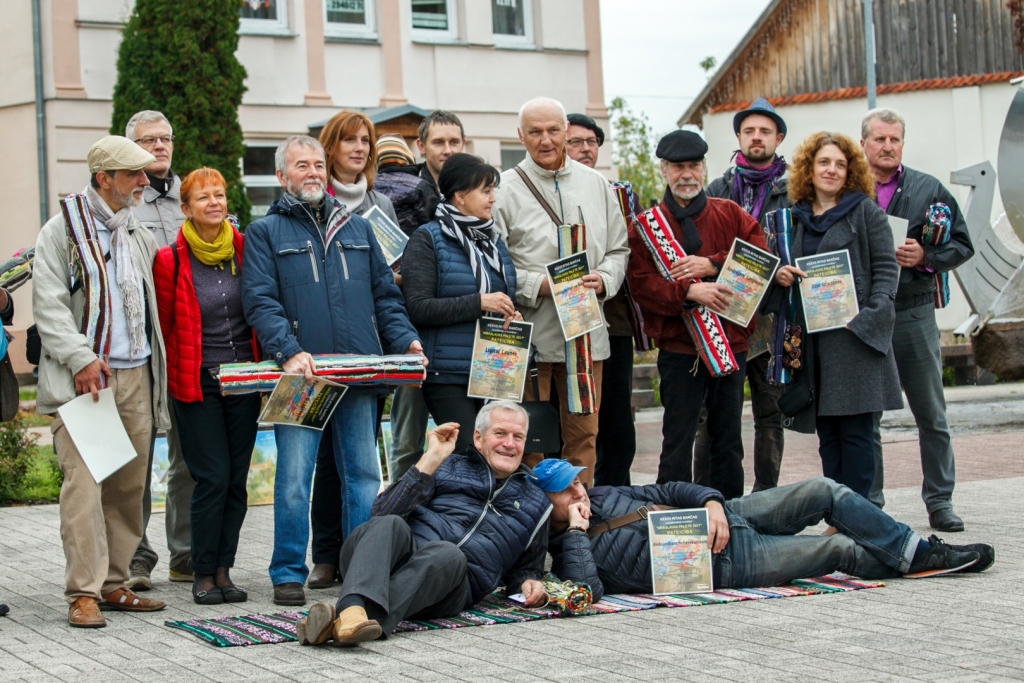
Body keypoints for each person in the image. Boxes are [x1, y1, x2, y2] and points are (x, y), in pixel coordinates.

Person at [241, 135, 423, 607]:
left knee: (363, 475)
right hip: (303, 376)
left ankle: (359, 570)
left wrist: (405, 338)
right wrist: (287, 350)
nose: (314, 173)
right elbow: (260, 300)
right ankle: (286, 572)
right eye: (302, 166)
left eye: (318, 164)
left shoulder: (358, 229)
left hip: (359, 375)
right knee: (296, 477)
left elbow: (386, 296)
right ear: (282, 177)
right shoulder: (265, 232)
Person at [33, 136, 169, 627]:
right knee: (85, 488)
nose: (142, 182)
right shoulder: (60, 232)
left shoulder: (137, 233)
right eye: (132, 175)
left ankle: (115, 584)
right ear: (102, 178)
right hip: (85, 378)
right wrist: (81, 358)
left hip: (136, 371)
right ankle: (83, 593)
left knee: (128, 488)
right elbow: (47, 305)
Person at [534, 459, 994, 602]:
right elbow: (587, 590)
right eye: (565, 490)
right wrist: (575, 532)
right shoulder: (563, 551)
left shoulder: (607, 492)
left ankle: (914, 552)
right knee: (837, 550)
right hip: (728, 563)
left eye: (577, 480)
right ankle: (922, 559)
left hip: (731, 515)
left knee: (824, 489)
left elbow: (672, 485)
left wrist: (712, 501)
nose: (578, 492)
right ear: (545, 502)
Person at [297, 402, 551, 647]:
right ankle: (351, 616)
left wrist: (530, 583)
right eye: (500, 433)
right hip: (383, 562)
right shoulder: (446, 466)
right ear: (478, 437)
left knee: (448, 553)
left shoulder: (538, 502)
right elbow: (381, 514)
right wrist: (431, 459)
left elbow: (527, 568)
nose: (509, 443)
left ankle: (349, 615)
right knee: (391, 523)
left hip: (449, 584)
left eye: (518, 437)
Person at [493, 97, 629, 487]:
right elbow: (493, 264)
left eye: (554, 130)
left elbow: (620, 249)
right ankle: (529, 524)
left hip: (585, 335)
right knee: (527, 438)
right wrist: (539, 285)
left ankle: (577, 522)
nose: (546, 140)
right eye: (535, 132)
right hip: (531, 335)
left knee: (583, 435)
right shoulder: (504, 189)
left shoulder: (597, 184)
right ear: (521, 136)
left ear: (566, 132)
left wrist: (604, 279)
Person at [628, 131, 766, 500]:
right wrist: (688, 291)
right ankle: (674, 518)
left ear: (704, 168)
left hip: (730, 345)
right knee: (677, 440)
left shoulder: (731, 214)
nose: (686, 174)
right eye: (677, 167)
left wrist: (713, 264)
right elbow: (640, 284)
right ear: (664, 171)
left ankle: (729, 514)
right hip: (680, 349)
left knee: (728, 439)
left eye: (693, 165)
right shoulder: (645, 227)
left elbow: (759, 262)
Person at [770, 132, 902, 500]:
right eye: (824, 162)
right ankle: (839, 514)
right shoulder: (792, 218)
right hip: (812, 342)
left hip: (854, 340)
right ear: (808, 169)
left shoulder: (866, 212)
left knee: (857, 435)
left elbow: (886, 272)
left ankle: (863, 520)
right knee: (827, 436)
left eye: (840, 164)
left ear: (851, 172)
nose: (831, 170)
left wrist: (869, 318)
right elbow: (777, 269)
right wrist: (780, 275)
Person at [860, 108, 975, 532]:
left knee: (931, 412)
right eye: (879, 139)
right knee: (866, 414)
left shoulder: (930, 189)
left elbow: (963, 244)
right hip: (866, 316)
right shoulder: (849, 188)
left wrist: (927, 257)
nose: (887, 146)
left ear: (902, 144)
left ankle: (940, 502)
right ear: (864, 144)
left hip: (913, 310)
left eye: (894, 139)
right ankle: (870, 503)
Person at [152, 167, 261, 605]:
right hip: (196, 382)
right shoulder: (170, 259)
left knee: (236, 480)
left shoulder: (246, 248)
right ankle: (200, 572)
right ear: (185, 208)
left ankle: (224, 570)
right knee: (211, 477)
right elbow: (164, 325)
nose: (214, 203)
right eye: (203, 197)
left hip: (244, 381)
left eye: (219, 195)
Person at [306, 111, 404, 591]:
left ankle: (359, 556)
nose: (360, 148)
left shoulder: (380, 203)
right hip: (322, 356)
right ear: (330, 147)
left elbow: (390, 273)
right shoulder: (314, 201)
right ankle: (325, 555)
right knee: (329, 460)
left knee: (363, 459)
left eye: (365, 141)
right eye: (349, 141)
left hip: (370, 350)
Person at [403, 154, 519, 454]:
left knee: (499, 456)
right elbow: (418, 307)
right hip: (448, 374)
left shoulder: (493, 240)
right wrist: (479, 302)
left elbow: (504, 296)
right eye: (486, 191)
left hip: (495, 370)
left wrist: (510, 313)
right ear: (460, 195)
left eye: (494, 190)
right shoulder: (427, 238)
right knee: (471, 455)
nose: (493, 198)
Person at [124, 109, 195, 590]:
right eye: (148, 140)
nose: (159, 147)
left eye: (165, 138)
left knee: (189, 454)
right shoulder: (123, 200)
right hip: (141, 346)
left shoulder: (189, 196)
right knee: (138, 454)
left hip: (187, 344)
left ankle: (185, 551)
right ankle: (134, 553)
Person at [704, 98, 789, 493]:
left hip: (772, 314)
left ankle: (766, 497)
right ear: (738, 137)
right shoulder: (717, 188)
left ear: (779, 138)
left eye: (765, 131)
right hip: (724, 314)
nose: (757, 137)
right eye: (750, 131)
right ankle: (715, 495)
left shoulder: (793, 188)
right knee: (717, 411)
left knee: (770, 412)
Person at [385, 111, 468, 487]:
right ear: (421, 146)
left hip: (458, 335)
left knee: (465, 437)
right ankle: (397, 515)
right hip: (412, 331)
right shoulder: (401, 194)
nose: (447, 149)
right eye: (439, 142)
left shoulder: (472, 189)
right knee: (407, 437)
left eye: (454, 142)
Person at [565, 112, 644, 487]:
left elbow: (630, 252)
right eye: (575, 142)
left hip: (613, 322)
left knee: (616, 418)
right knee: (574, 419)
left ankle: (617, 499)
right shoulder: (551, 189)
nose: (584, 149)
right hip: (564, 325)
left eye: (591, 142)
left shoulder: (619, 194)